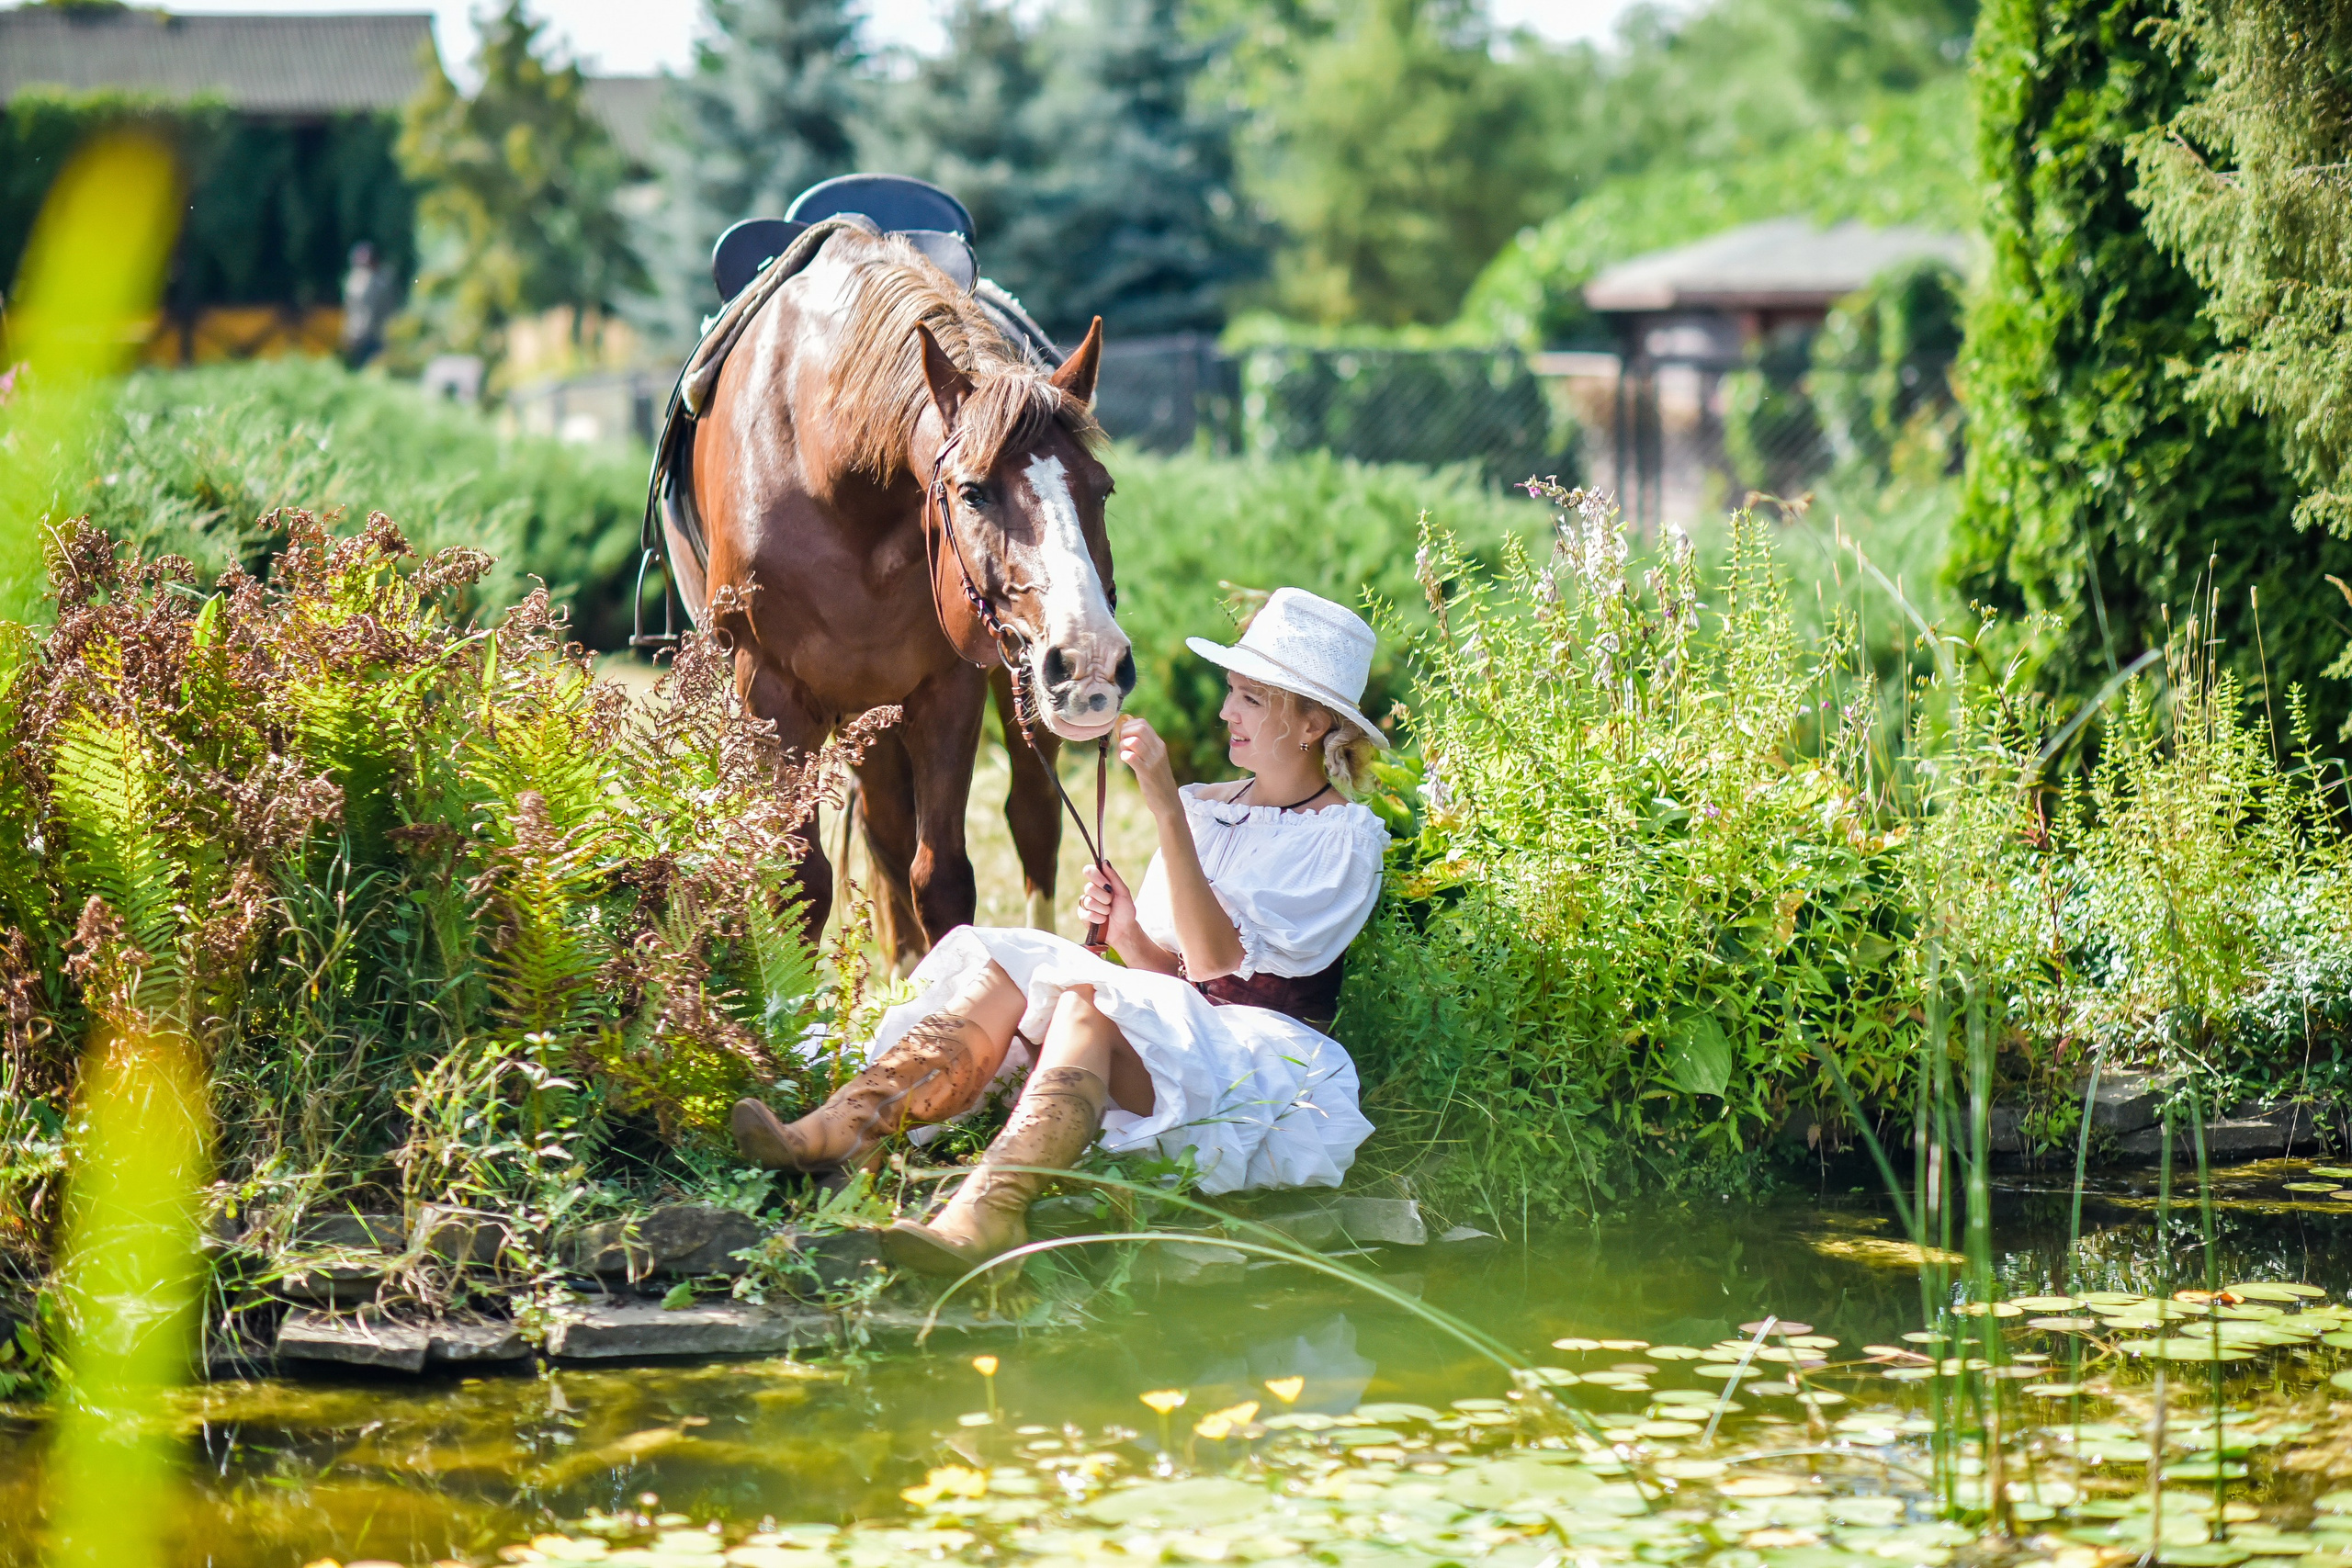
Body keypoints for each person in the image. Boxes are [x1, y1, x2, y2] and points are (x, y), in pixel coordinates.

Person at [730, 588, 1393, 1275]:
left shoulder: (1342, 840)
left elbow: (1219, 959)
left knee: (1086, 1000)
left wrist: (1163, 804)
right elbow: (1174, 974)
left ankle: (990, 1209)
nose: (1227, 711)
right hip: (1181, 1032)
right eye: (1232, 690)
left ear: (1313, 720)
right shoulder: (1211, 807)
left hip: (1261, 1068)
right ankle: (841, 1128)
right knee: (1008, 966)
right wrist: (1128, 932)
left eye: (1252, 698)